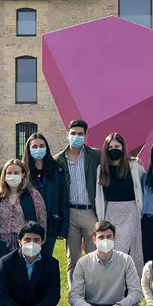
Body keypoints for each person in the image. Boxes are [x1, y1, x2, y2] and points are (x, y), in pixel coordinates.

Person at [62, 221, 148, 306]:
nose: (105, 240)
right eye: (101, 237)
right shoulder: (83, 263)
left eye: (109, 236)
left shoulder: (126, 260)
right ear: (94, 240)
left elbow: (136, 293)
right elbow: (74, 296)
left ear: (115, 238)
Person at [55, 119, 101, 283]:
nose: (76, 136)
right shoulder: (58, 160)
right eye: (73, 133)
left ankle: (93, 294)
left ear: (85, 136)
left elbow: (114, 162)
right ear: (67, 134)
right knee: (72, 258)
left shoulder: (95, 155)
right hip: (70, 213)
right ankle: (74, 296)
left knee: (93, 256)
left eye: (80, 134)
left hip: (90, 212)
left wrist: (132, 160)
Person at [95, 133, 145, 276]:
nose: (114, 149)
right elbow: (99, 195)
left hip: (131, 211)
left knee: (132, 249)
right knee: (114, 247)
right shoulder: (101, 169)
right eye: (110, 147)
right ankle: (113, 278)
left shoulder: (134, 166)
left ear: (123, 148)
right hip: (111, 212)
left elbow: (142, 186)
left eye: (117, 146)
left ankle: (133, 280)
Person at [23, 133, 69, 256]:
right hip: (29, 225)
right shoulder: (24, 171)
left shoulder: (56, 170)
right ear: (28, 149)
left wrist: (63, 229)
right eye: (34, 146)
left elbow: (63, 199)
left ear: (46, 148)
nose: (38, 149)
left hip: (51, 224)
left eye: (41, 145)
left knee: (46, 259)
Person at [0, 159, 47, 256]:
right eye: (9, 173)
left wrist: (39, 240)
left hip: (26, 243)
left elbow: (42, 219)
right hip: (2, 245)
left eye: (16, 173)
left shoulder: (33, 195)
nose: (12, 176)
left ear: (23, 175)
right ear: (4, 176)